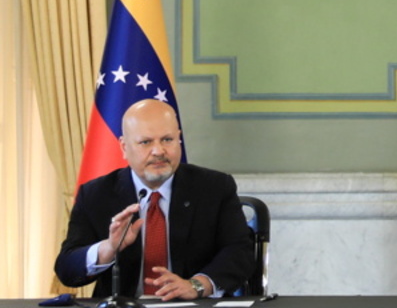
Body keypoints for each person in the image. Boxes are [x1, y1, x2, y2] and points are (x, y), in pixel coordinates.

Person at [55, 100, 254, 300]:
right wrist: (109, 247)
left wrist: (197, 285)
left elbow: (240, 252)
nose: (158, 151)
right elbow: (67, 269)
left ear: (179, 139)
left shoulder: (214, 187)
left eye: (167, 140)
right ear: (124, 147)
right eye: (146, 142)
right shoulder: (96, 194)